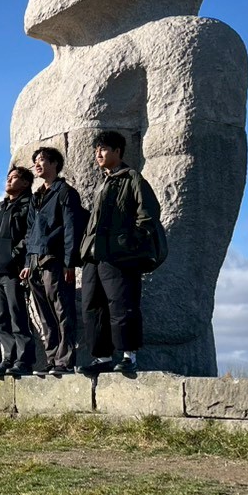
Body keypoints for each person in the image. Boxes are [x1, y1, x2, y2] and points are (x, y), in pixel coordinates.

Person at [80, 129, 163, 375]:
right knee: (93, 308)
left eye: (104, 149)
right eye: (96, 150)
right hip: (94, 256)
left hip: (119, 255)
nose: (98, 154)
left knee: (122, 304)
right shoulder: (103, 182)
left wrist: (129, 243)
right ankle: (102, 357)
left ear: (118, 151)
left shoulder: (132, 177)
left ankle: (129, 356)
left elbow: (148, 213)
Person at [23, 145, 87, 376]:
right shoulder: (36, 196)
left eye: (42, 160)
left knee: (62, 310)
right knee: (44, 314)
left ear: (55, 164)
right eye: (35, 160)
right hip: (35, 262)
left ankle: (65, 361)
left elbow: (71, 229)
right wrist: (27, 263)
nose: (37, 164)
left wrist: (70, 262)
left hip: (55, 259)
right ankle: (51, 359)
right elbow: (30, 232)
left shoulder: (65, 192)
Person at [0, 167, 36, 377]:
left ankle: (23, 359)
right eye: (8, 177)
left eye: (14, 177)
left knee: (17, 316)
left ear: (25, 183)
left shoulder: (28, 204)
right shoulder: (0, 208)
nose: (8, 180)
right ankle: (9, 358)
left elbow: (30, 234)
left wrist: (15, 254)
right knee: (1, 318)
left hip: (14, 270)